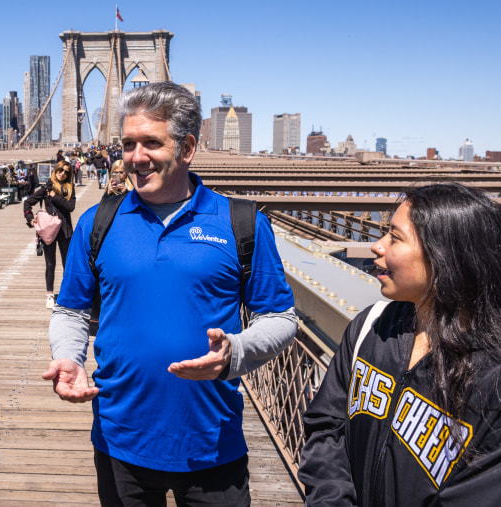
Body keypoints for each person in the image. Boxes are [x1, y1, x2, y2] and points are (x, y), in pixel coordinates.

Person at [42, 81, 297, 506]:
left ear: (188, 147)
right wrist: (69, 357)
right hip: (120, 438)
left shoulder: (241, 222)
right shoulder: (97, 222)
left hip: (212, 442)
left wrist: (236, 351)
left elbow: (281, 319)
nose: (135, 158)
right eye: (127, 144)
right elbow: (71, 311)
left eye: (151, 143)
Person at [298, 182, 501, 506]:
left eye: (395, 237)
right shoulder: (370, 327)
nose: (377, 247)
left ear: (446, 257)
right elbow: (325, 426)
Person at [23, 160, 76, 310]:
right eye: (60, 170)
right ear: (55, 170)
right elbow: (27, 203)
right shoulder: (46, 188)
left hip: (65, 231)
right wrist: (30, 219)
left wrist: (54, 196)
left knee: (68, 264)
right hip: (49, 231)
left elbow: (70, 207)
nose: (62, 174)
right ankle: (50, 294)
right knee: (50, 264)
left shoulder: (70, 188)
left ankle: (66, 293)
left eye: (66, 172)